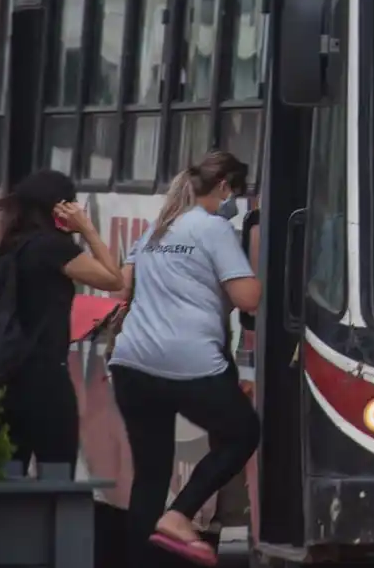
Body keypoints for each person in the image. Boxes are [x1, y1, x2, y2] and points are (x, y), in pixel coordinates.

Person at [109, 151, 261, 568]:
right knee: (242, 432)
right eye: (237, 192)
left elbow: (121, 288)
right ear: (224, 187)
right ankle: (181, 513)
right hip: (189, 363)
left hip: (131, 364)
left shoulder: (156, 228)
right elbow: (247, 298)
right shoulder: (213, 228)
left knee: (150, 475)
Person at [0, 169, 124, 475]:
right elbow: (113, 279)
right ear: (60, 207)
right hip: (45, 377)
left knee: (8, 473)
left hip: (5, 379)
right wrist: (87, 229)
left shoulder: (9, 248)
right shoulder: (53, 247)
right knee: (56, 472)